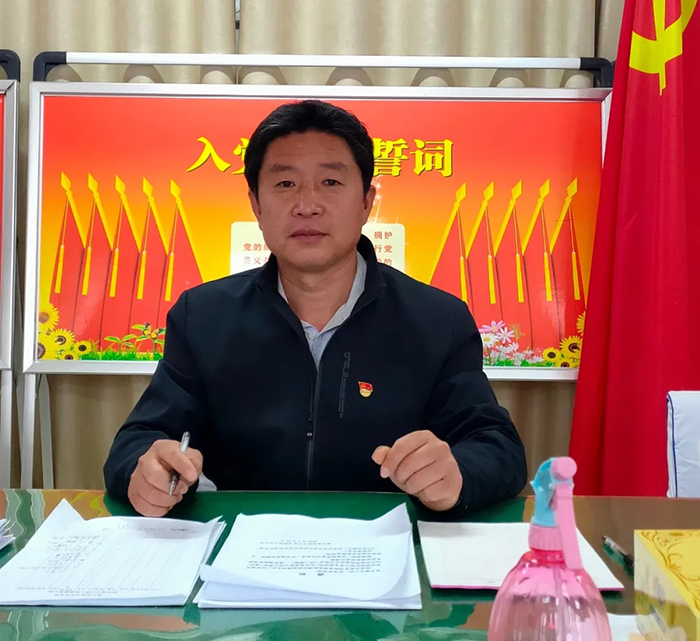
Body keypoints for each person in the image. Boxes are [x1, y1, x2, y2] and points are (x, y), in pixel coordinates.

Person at [104, 99, 527, 518]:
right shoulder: (203, 316)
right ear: (256, 205)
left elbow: (497, 448)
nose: (307, 204)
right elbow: (139, 441)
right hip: (241, 547)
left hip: (386, 547)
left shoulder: (437, 319)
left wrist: (457, 474)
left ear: (367, 202)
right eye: (285, 183)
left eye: (330, 182)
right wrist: (147, 470)